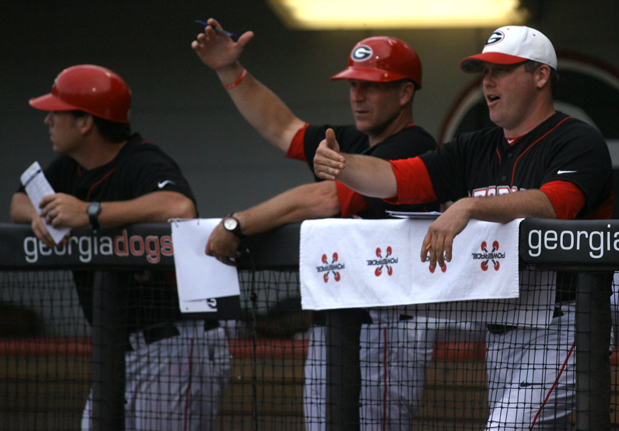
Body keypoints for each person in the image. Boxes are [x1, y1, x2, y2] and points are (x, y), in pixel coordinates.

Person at [314, 25, 614, 430]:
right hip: (503, 321)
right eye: (483, 72)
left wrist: (470, 206)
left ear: (540, 76)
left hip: (567, 322)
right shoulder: (475, 146)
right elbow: (398, 178)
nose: (488, 82)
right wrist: (344, 165)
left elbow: (554, 204)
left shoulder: (578, 139)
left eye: (501, 70)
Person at [192, 20, 479, 431]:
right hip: (338, 318)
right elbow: (283, 128)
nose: (357, 96)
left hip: (386, 327)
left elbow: (330, 198)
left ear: (404, 93)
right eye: (353, 85)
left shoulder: (414, 145)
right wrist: (229, 71)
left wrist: (239, 222)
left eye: (372, 85)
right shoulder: (354, 140)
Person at [10, 64, 231, 431]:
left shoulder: (141, 161)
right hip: (116, 350)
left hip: (176, 343)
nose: (48, 120)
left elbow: (180, 206)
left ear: (85, 123)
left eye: (57, 112)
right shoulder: (69, 167)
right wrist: (38, 214)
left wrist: (90, 212)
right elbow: (18, 200)